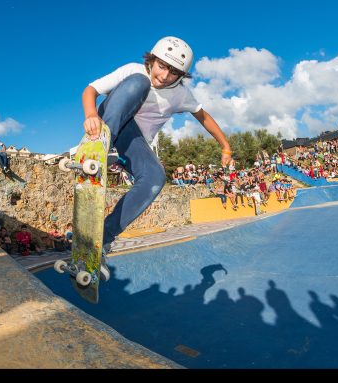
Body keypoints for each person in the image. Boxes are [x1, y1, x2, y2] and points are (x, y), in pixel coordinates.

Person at [81, 36, 232, 281]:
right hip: (107, 124)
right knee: (139, 83)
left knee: (155, 177)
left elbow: (204, 117)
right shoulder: (134, 70)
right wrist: (91, 116)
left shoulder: (182, 94)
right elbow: (91, 90)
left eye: (174, 73)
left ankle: (102, 238)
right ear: (151, 60)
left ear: (182, 76)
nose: (164, 76)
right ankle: (102, 147)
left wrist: (225, 147)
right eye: (161, 66)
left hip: (133, 141)